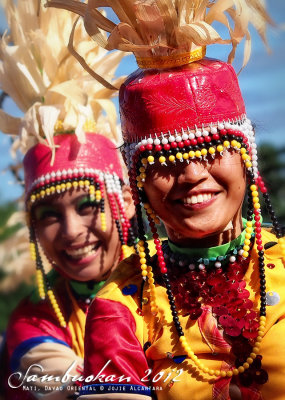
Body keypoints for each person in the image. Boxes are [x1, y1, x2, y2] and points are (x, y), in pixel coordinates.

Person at [47, 0, 285, 399]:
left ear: (247, 157)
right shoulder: (121, 305)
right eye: (165, 158)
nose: (192, 176)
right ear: (136, 180)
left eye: (213, 147)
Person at [0, 1, 135, 399]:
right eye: (48, 215)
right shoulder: (34, 321)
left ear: (125, 200)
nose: (73, 232)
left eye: (87, 204)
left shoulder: (184, 280)